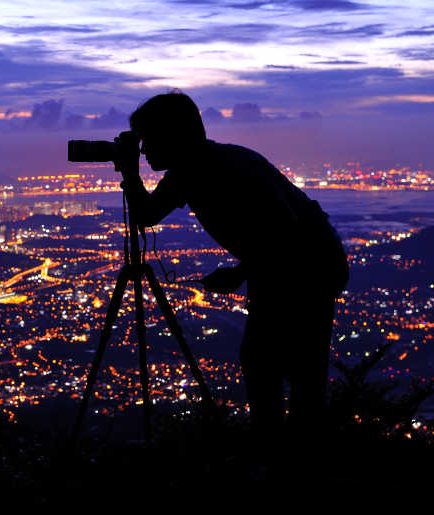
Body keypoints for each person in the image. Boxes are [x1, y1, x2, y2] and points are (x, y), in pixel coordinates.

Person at [120, 91, 349, 464]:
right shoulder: (192, 169)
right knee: (269, 364)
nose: (144, 150)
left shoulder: (224, 166)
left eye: (148, 138)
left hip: (308, 267)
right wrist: (130, 173)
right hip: (288, 266)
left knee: (278, 367)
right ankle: (286, 459)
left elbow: (287, 230)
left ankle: (286, 463)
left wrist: (240, 272)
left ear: (173, 135)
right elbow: (147, 214)